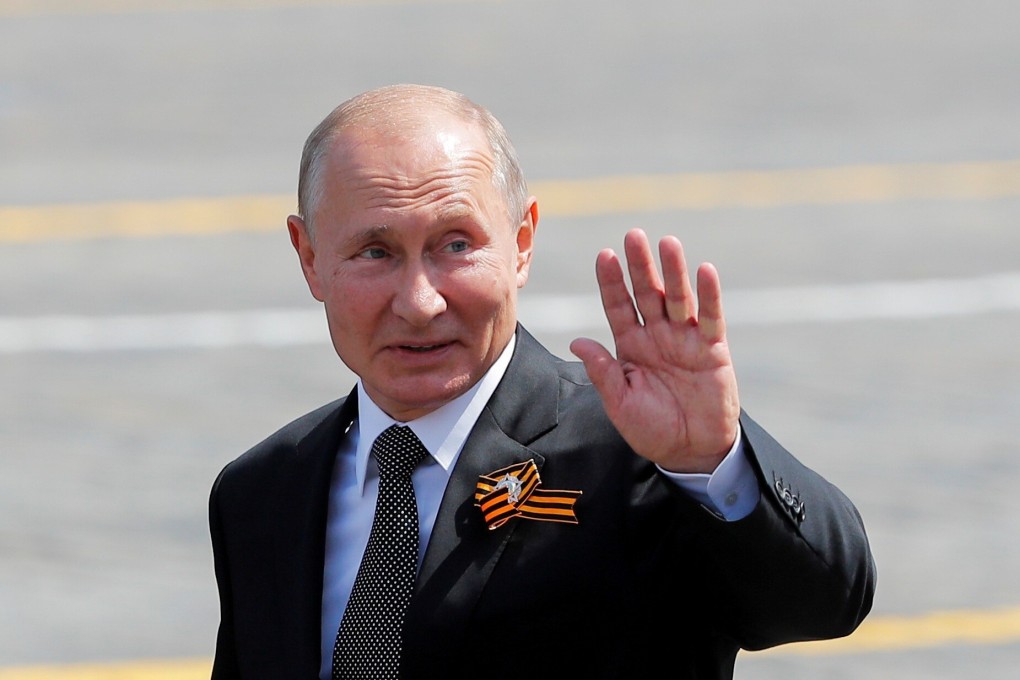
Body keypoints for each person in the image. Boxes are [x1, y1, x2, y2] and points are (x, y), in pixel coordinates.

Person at [208, 83, 876, 680]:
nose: (419, 301)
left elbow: (825, 602)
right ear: (310, 258)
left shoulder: (635, 456)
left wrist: (712, 458)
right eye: (376, 252)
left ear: (522, 242)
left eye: (456, 244)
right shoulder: (262, 494)